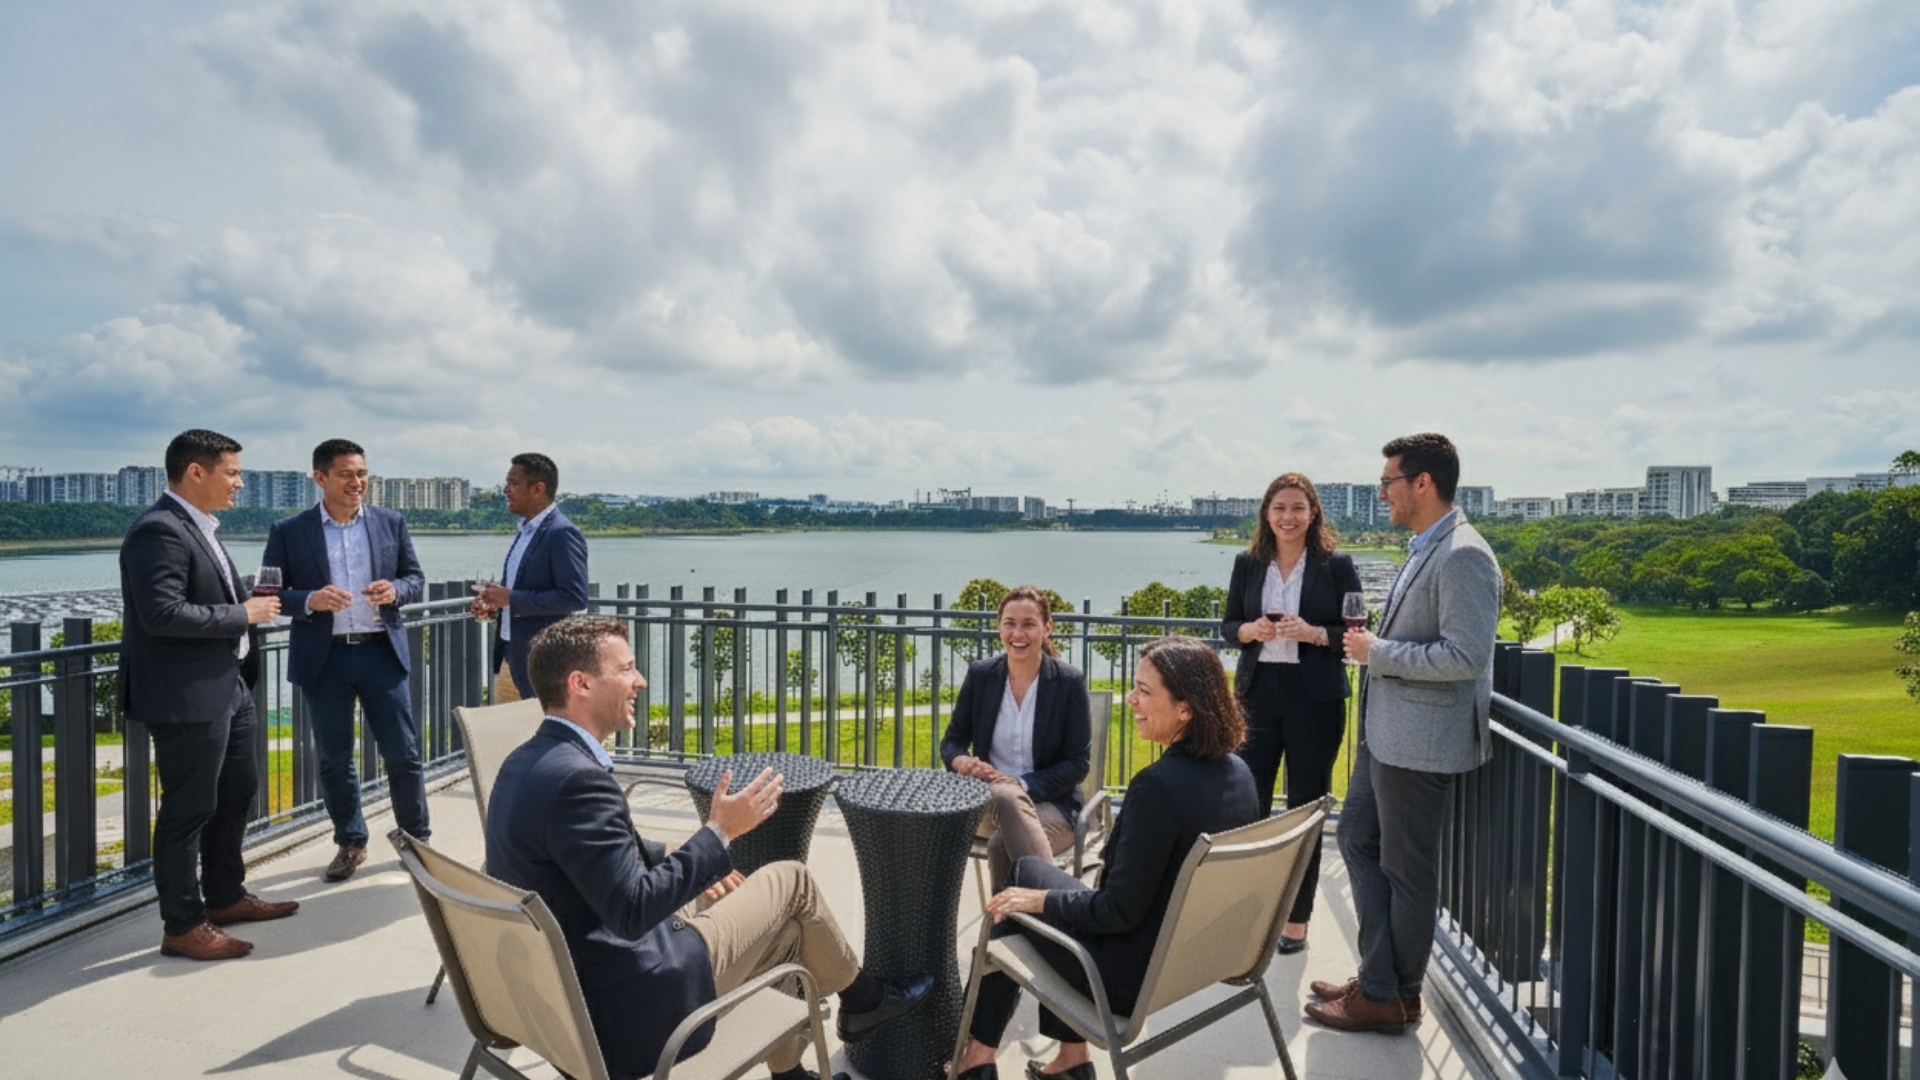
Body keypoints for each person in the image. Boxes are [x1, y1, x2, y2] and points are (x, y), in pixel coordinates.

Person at [484, 616, 932, 1080]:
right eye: (627, 669)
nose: (640, 680)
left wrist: (670, 850)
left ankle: (803, 1062)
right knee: (792, 883)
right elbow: (632, 910)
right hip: (631, 1009)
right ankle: (864, 999)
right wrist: (719, 833)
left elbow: (585, 855)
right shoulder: (579, 781)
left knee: (789, 934)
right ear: (580, 683)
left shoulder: (527, 763)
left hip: (565, 1000)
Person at [952, 636, 1260, 1080]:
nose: (1130, 699)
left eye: (1144, 691)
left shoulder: (1159, 788)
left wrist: (1037, 902)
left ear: (1186, 710)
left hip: (1126, 976)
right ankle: (1070, 1062)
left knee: (1016, 894)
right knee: (1027, 877)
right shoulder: (1239, 773)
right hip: (1190, 960)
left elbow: (1115, 911)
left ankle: (977, 1059)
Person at [1310, 432, 1501, 1034]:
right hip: (1387, 735)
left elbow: (1466, 657)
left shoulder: (1464, 553)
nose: (1382, 493)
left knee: (1407, 870)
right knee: (1358, 840)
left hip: (1420, 741)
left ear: (1423, 483)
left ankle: (1393, 996)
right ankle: (1379, 980)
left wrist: (1377, 653)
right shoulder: (1427, 546)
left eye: (1388, 482)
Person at [119, 429, 298, 960]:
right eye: (233, 472)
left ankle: (225, 896)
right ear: (196, 472)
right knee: (188, 809)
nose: (240, 483)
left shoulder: (198, 527)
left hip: (228, 686)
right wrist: (243, 613)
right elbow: (162, 614)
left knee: (235, 795)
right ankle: (182, 924)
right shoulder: (159, 530)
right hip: (188, 695)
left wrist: (247, 603)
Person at [262, 438, 429, 882]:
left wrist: (397, 591)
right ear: (320, 478)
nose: (357, 483)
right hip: (326, 659)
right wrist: (310, 600)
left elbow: (416, 579)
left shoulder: (391, 522)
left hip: (381, 652)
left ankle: (417, 841)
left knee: (404, 754)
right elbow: (269, 594)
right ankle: (350, 842)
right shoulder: (289, 530)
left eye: (362, 474)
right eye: (346, 475)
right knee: (335, 758)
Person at [1220, 473, 1363, 955]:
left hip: (1314, 700)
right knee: (1248, 809)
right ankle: (1250, 911)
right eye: (1279, 507)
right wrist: (1250, 631)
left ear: (1313, 513)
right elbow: (1227, 626)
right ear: (1266, 513)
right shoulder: (1248, 563)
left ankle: (1296, 921)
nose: (1288, 517)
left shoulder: (1336, 565)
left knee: (1305, 810)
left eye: (1297, 508)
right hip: (1257, 696)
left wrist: (1315, 634)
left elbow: (1357, 635)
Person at [940, 585, 1092, 891]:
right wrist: (962, 761)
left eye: (1029, 624)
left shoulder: (1068, 683)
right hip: (987, 802)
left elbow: (1078, 764)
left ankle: (1006, 925)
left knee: (1001, 843)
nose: (1017, 633)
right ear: (999, 627)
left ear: (1047, 628)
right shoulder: (981, 676)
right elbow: (952, 741)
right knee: (1000, 798)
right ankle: (1059, 912)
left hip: (1054, 807)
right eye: (1009, 623)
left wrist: (1020, 785)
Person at [470, 452, 589, 702]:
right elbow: (520, 592)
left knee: (541, 737)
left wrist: (511, 598)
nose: (505, 490)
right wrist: (495, 606)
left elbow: (574, 597)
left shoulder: (561, 533)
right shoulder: (525, 531)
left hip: (542, 665)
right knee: (510, 739)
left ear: (538, 489)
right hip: (509, 659)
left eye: (514, 483)